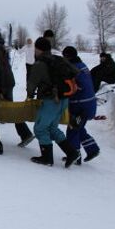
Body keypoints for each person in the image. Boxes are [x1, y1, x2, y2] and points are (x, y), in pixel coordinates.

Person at [27, 37, 81, 167]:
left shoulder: (40, 64)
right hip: (64, 99)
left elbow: (32, 83)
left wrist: (30, 95)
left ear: (39, 49)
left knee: (40, 129)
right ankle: (72, 153)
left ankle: (47, 158)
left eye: (36, 49)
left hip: (51, 100)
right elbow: (76, 71)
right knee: (52, 128)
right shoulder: (59, 59)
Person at [0, 27, 35, 147]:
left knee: (9, 109)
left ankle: (25, 134)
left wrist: (0, 88)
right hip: (6, 81)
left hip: (4, 83)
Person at [61, 46, 100, 163]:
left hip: (81, 105)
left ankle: (74, 155)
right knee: (79, 127)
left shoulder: (73, 69)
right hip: (89, 103)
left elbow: (79, 86)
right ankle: (92, 149)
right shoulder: (82, 65)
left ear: (67, 56)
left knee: (72, 129)